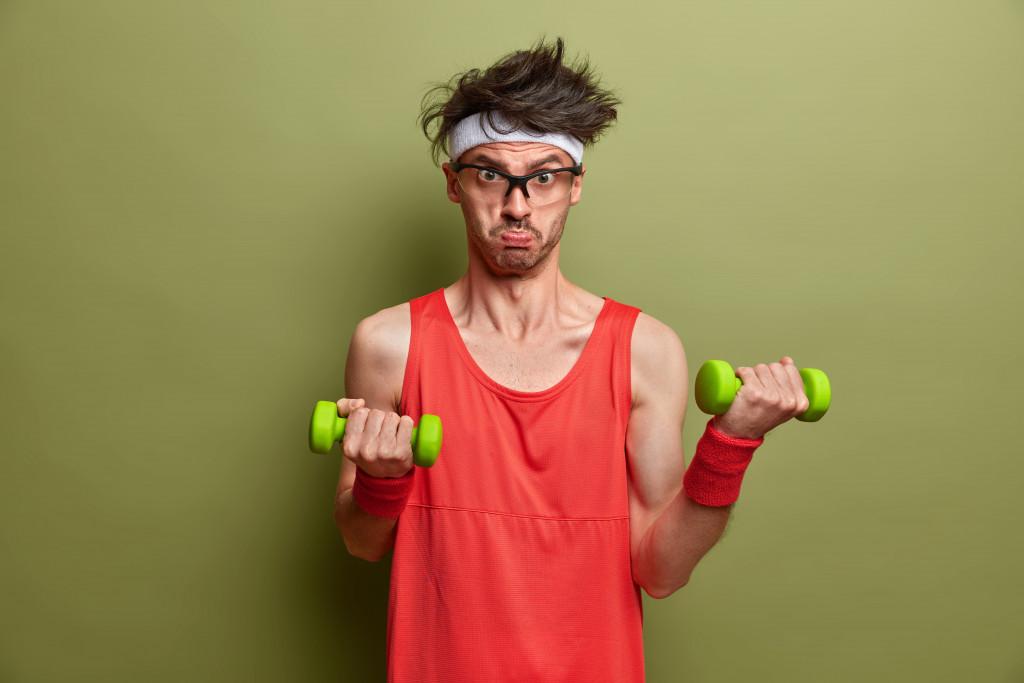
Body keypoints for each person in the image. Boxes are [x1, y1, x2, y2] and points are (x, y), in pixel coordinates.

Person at [332, 38, 810, 682]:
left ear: (575, 186)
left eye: (545, 176)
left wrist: (732, 442)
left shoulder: (645, 349)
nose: (517, 205)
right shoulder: (390, 344)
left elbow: (661, 571)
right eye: (491, 174)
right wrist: (383, 479)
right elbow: (362, 542)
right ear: (454, 184)